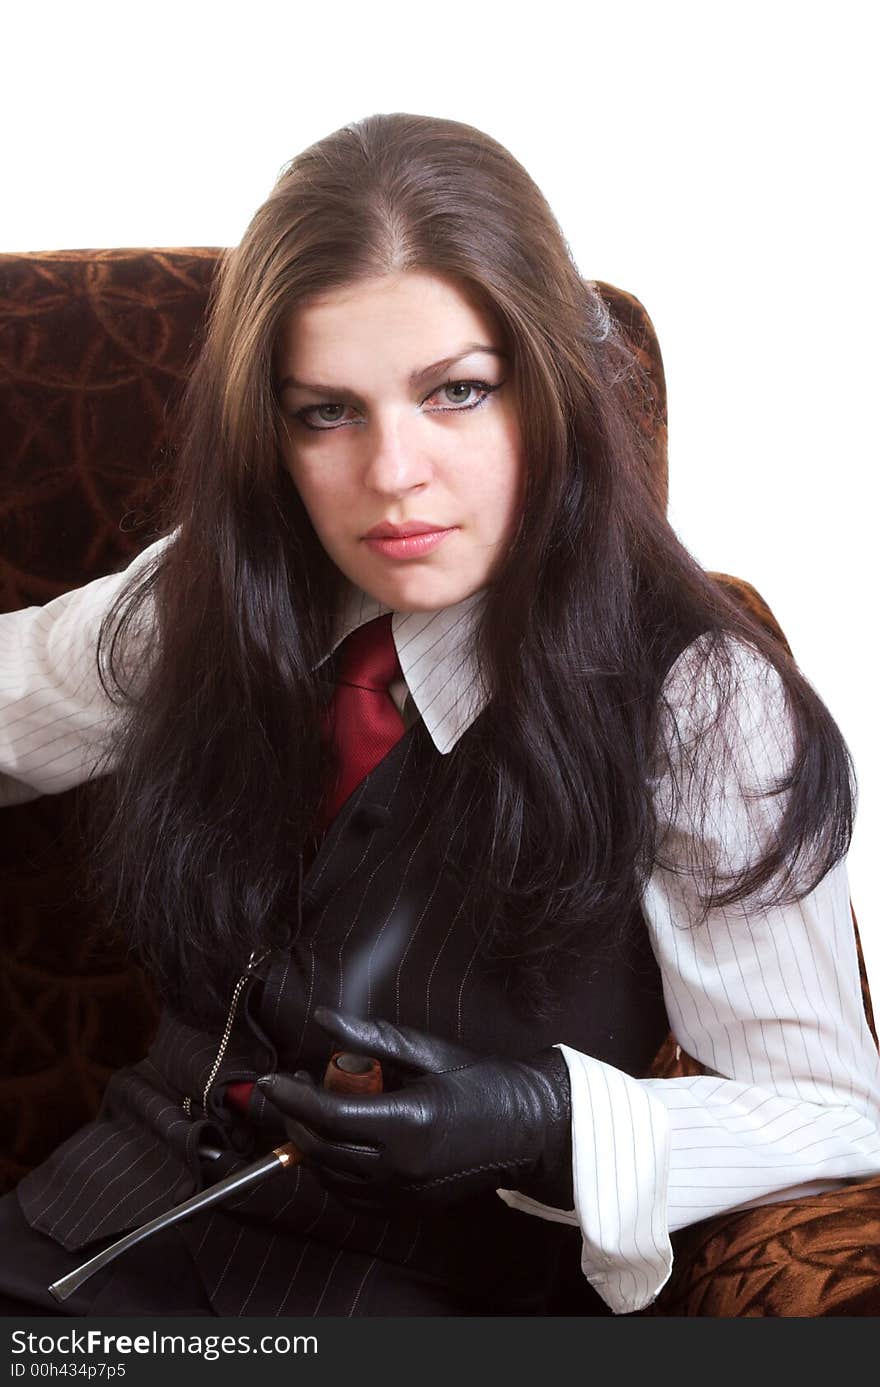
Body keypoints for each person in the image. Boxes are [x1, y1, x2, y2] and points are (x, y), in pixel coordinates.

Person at [1, 110, 879, 1319]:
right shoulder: (210, 590)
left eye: (455, 392)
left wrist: (549, 1119)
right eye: (326, 411)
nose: (393, 472)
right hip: (74, 1246)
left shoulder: (704, 700)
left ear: (551, 392)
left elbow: (829, 1104)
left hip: (413, 1304)